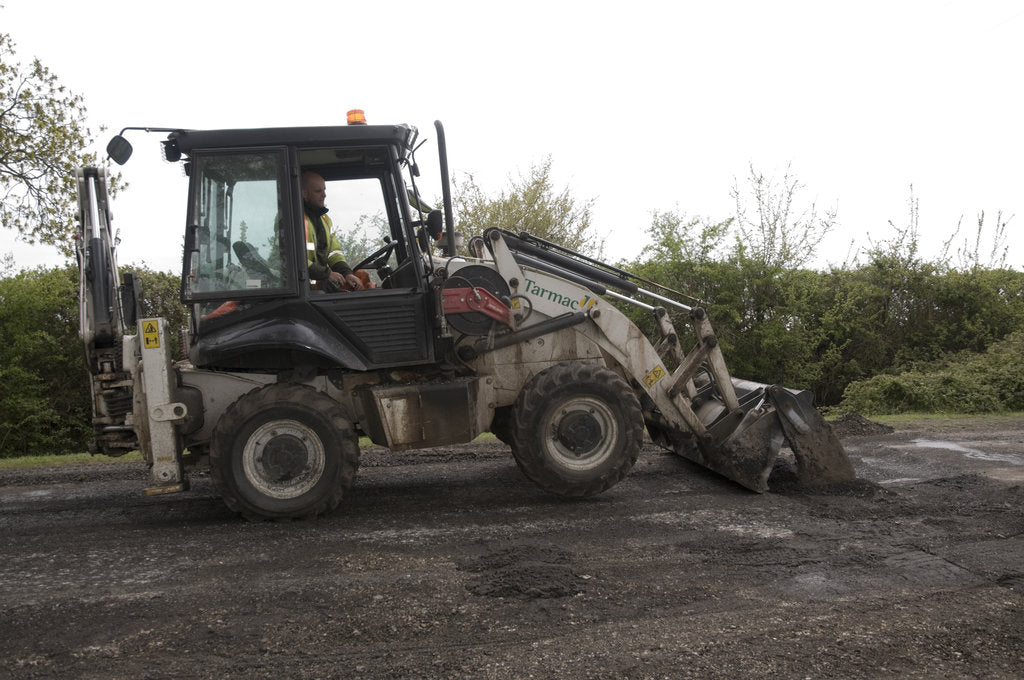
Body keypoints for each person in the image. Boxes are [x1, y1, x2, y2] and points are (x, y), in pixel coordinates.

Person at [301, 171, 364, 292]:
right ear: (305, 193)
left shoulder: (325, 219)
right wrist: (326, 274)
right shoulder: (293, 219)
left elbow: (333, 253)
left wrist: (347, 274)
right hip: (294, 289)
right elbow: (293, 259)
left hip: (314, 289)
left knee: (362, 277)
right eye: (318, 191)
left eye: (324, 190)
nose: (324, 195)